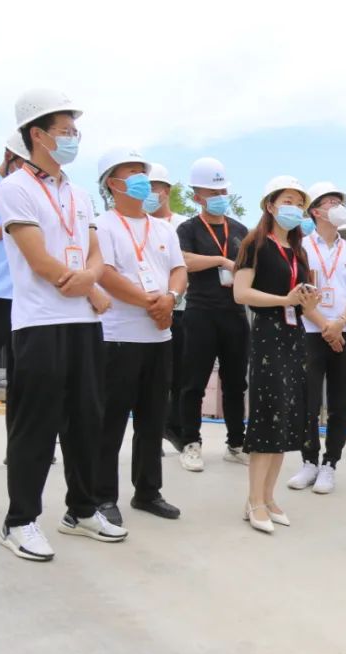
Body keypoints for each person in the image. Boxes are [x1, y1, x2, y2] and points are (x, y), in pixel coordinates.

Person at [0, 88, 127, 561]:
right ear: (38, 134)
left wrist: (89, 278)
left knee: (87, 420)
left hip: (83, 322)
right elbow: (37, 258)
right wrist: (77, 280)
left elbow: (94, 252)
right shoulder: (16, 187)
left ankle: (82, 510)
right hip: (39, 322)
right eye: (65, 130)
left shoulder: (77, 192)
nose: (74, 138)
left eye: (75, 130)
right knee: (36, 425)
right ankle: (19, 521)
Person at [93, 148, 186, 525]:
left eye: (142, 173)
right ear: (112, 184)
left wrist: (170, 298)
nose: (141, 180)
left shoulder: (164, 229)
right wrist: (151, 303)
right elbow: (106, 274)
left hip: (159, 339)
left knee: (152, 420)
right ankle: (102, 497)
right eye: (131, 173)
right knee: (111, 420)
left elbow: (179, 270)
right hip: (118, 337)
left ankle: (148, 491)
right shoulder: (103, 226)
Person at [232, 176, 318, 534]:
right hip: (268, 334)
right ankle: (254, 500)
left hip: (295, 336)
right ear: (270, 205)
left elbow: (302, 303)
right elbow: (241, 293)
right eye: (287, 201)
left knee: (286, 417)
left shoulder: (299, 251)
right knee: (267, 416)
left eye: (299, 203)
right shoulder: (255, 244)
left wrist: (311, 304)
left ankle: (268, 497)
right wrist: (284, 300)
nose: (294, 209)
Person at [287, 182, 346, 494]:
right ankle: (309, 461)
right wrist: (325, 327)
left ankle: (330, 463)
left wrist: (339, 324)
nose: (338, 206)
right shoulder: (301, 248)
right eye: (331, 201)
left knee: (339, 403)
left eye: (339, 201)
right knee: (308, 402)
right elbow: (300, 295)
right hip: (310, 331)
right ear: (316, 211)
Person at [175, 157, 249, 471]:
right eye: (212, 192)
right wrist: (220, 260)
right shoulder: (188, 228)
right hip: (201, 312)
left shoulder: (240, 230)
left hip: (235, 313)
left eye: (222, 190)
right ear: (197, 197)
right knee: (193, 382)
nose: (219, 196)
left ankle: (236, 443)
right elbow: (183, 260)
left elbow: (251, 266)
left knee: (236, 383)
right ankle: (191, 443)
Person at [146, 163, 191, 450]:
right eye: (146, 186)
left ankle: (174, 428)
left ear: (167, 191)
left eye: (155, 187)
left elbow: (185, 265)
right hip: (145, 310)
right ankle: (152, 432)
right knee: (150, 378)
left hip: (180, 310)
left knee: (179, 376)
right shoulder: (132, 225)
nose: (150, 193)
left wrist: (173, 295)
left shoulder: (182, 225)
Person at [0, 133, 29, 391]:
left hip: (25, 294)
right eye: (23, 163)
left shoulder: (31, 193)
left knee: (23, 376)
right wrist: (12, 224)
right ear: (8, 156)